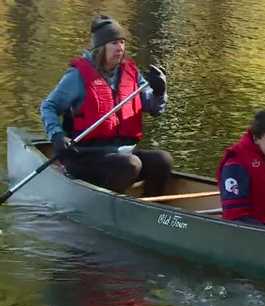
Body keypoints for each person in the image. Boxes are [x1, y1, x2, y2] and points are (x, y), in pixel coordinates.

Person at [40, 15, 172, 196]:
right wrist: (56, 135)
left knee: (162, 160)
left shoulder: (131, 73)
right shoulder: (77, 76)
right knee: (131, 165)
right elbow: (49, 106)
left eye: (122, 42)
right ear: (101, 47)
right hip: (85, 156)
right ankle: (105, 205)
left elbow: (155, 108)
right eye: (114, 43)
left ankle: (155, 212)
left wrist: (159, 91)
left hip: (122, 154)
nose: (120, 48)